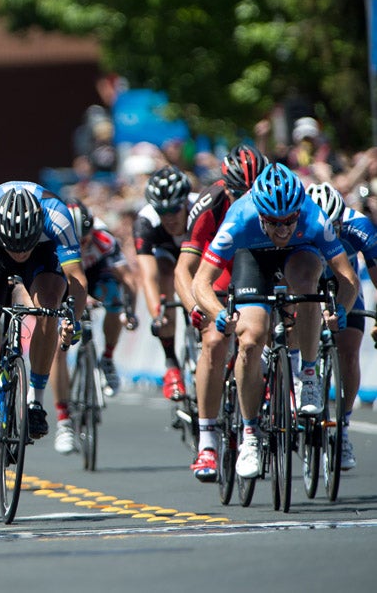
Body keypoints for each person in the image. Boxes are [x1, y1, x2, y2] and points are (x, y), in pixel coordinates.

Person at [193, 164, 359, 479]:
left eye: (288, 222)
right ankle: (251, 436)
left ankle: (308, 374)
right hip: (253, 260)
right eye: (273, 223)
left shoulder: (312, 217)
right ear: (260, 216)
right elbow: (201, 282)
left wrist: (340, 311)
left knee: (309, 281)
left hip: (300, 255)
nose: (282, 231)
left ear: (299, 212)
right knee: (252, 338)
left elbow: (347, 277)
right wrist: (220, 314)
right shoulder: (239, 218)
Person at [0, 183, 87, 482]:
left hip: (44, 254)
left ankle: (35, 398)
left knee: (48, 308)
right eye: (14, 246)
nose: (19, 254)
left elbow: (75, 278)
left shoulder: (57, 215)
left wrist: (71, 318)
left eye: (23, 246)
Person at [174, 144, 267, 480]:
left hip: (259, 266)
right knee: (214, 342)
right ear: (228, 187)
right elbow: (184, 269)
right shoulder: (210, 204)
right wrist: (195, 308)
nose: (248, 199)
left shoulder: (273, 195)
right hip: (218, 271)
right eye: (242, 192)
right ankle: (208, 440)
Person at [48, 198, 137, 454]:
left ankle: (107, 358)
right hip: (62, 277)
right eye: (77, 241)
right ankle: (63, 420)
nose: (82, 245)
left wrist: (129, 310)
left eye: (85, 240)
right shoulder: (54, 240)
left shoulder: (104, 239)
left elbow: (129, 280)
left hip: (96, 275)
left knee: (114, 296)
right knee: (57, 348)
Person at [306, 182, 377, 470]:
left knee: (349, 351)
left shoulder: (359, 227)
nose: (329, 233)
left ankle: (343, 428)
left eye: (334, 226)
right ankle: (300, 379)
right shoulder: (297, 224)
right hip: (309, 280)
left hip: (344, 283)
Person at [133, 165, 198, 402]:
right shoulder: (146, 222)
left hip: (198, 255)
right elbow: (148, 276)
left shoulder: (202, 209)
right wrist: (158, 315)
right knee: (164, 271)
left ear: (185, 204)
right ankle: (171, 362)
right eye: (163, 211)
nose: (169, 217)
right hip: (167, 256)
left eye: (174, 209)